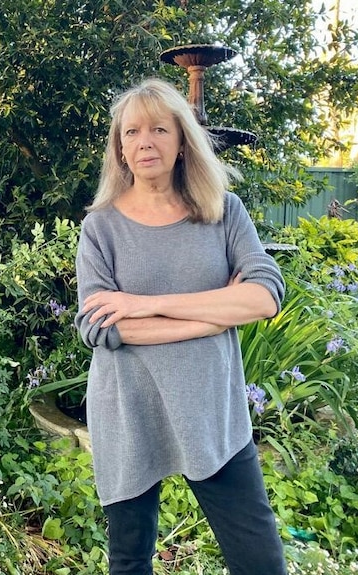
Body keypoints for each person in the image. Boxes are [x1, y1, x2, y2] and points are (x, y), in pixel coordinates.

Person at [73, 77, 288, 575]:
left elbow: (263, 297)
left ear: (182, 140)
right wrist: (213, 316)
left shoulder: (222, 212)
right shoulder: (100, 228)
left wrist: (142, 305)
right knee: (130, 560)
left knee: (259, 559)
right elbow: (100, 329)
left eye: (159, 129)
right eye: (131, 133)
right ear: (119, 148)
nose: (144, 141)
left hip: (210, 408)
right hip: (129, 411)